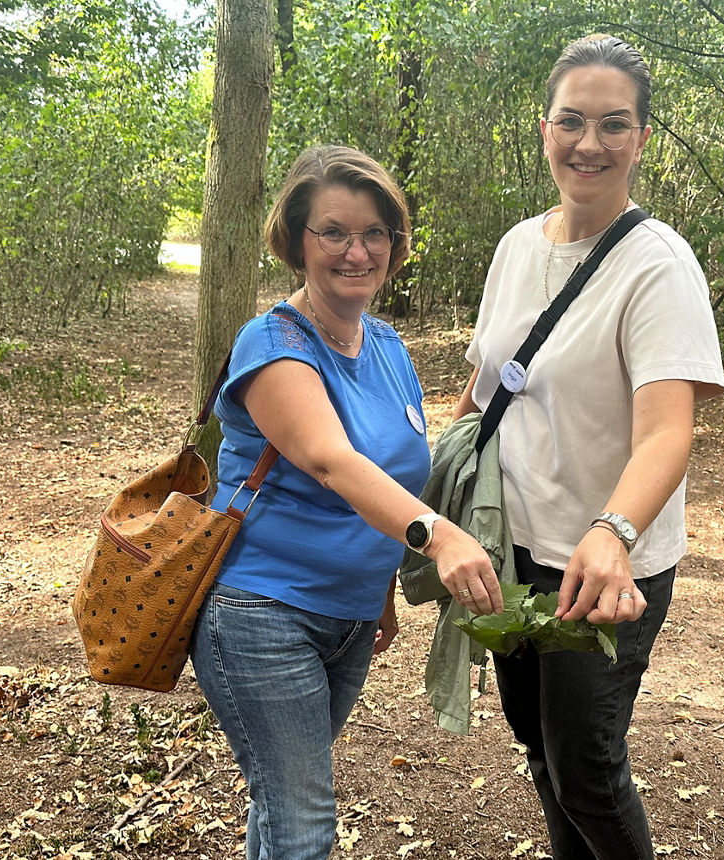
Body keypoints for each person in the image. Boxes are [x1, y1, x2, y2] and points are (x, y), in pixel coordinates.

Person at [452, 35, 724, 860]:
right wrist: (429, 482)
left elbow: (668, 429)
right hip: (512, 550)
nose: (589, 143)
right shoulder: (514, 247)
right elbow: (484, 389)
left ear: (642, 139)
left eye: (614, 125)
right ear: (545, 130)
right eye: (571, 121)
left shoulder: (658, 266)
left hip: (606, 564)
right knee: (538, 748)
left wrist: (614, 532)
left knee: (586, 767)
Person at [190, 144, 504, 860]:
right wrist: (440, 536)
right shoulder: (271, 344)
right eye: (333, 231)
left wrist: (384, 590)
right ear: (297, 239)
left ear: (395, 244)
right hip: (261, 613)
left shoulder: (388, 344)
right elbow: (334, 462)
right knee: (304, 824)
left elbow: (394, 474)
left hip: (351, 618)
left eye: (375, 234)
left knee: (279, 803)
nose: (356, 251)